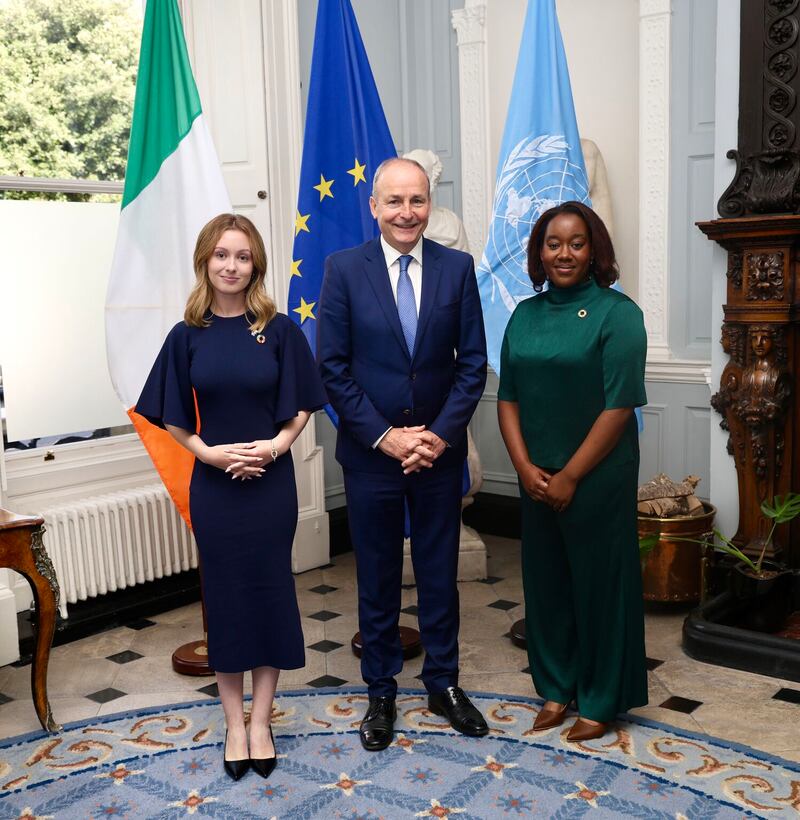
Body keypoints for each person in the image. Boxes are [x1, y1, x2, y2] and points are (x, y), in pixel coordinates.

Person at [136, 214, 326, 780]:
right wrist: (211, 454)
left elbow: (300, 410)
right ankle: (233, 723)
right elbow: (170, 416)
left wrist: (272, 447)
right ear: (205, 261)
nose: (231, 266)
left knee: (269, 596)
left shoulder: (280, 330)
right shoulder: (185, 335)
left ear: (256, 266)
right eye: (222, 255)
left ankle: (262, 720)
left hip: (271, 485)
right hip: (215, 486)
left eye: (242, 256)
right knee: (225, 601)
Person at [317, 157, 489, 751]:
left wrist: (437, 436)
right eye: (394, 201)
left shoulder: (457, 269)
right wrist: (387, 437)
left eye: (416, 201)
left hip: (439, 454)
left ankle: (443, 684)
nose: (406, 213)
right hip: (371, 457)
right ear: (374, 206)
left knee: (439, 573)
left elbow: (472, 366)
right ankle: (381, 691)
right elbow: (332, 371)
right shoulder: (343, 270)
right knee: (379, 575)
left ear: (429, 205)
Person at [496, 201, 648, 742]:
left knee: (599, 585)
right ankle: (557, 687)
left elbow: (619, 407)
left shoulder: (618, 313)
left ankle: (602, 698)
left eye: (576, 243)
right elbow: (507, 397)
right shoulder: (524, 315)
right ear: (540, 251)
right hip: (535, 474)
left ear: (594, 250)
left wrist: (570, 476)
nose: (564, 253)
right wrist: (523, 465)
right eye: (553, 243)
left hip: (596, 476)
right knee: (547, 581)